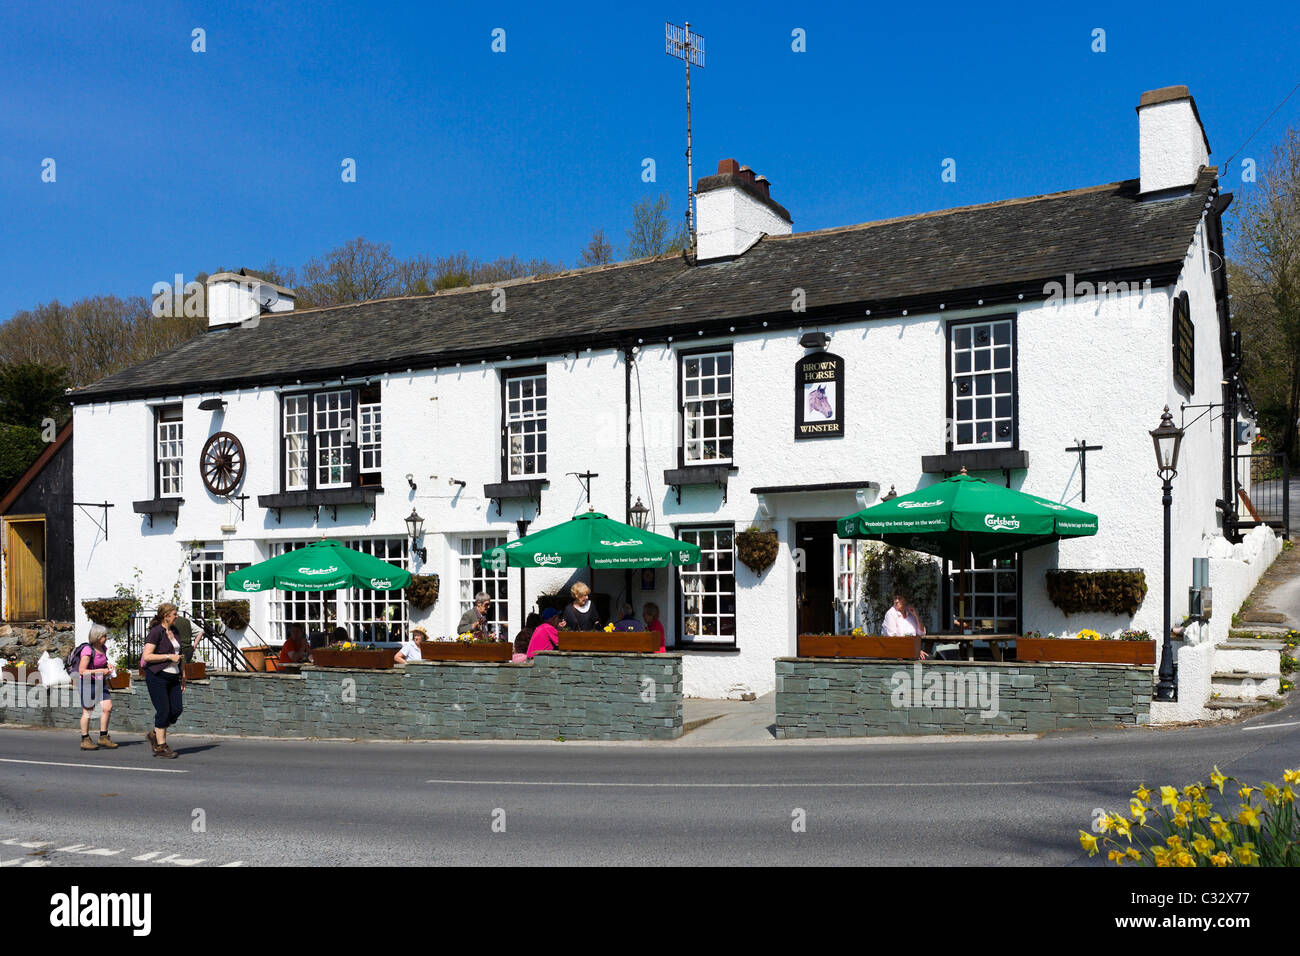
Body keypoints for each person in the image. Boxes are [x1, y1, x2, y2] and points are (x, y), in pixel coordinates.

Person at [141, 603, 185, 758]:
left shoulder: (174, 631)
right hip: (157, 676)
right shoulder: (155, 632)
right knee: (164, 711)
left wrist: (182, 676)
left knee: (176, 710)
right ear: (166, 616)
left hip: (174, 676)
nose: (177, 616)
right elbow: (147, 656)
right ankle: (161, 746)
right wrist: (168, 656)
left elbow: (180, 655)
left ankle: (154, 734)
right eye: (174, 614)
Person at [76, 624, 117, 750]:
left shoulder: (103, 648)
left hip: (100, 682)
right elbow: (82, 671)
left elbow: (101, 661)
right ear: (97, 637)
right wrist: (100, 671)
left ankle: (103, 737)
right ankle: (85, 739)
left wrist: (108, 665)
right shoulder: (87, 650)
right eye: (104, 636)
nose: (106, 638)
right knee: (88, 711)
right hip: (88, 683)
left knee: (107, 707)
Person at [882, 592, 930, 660]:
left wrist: (916, 616)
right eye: (895, 598)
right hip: (896, 653)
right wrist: (915, 650)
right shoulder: (891, 614)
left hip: (911, 652)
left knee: (930, 658)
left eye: (899, 598)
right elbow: (892, 638)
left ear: (905, 600)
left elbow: (921, 633)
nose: (896, 601)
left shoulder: (910, 613)